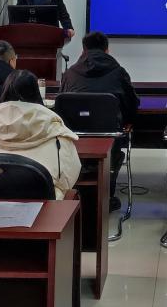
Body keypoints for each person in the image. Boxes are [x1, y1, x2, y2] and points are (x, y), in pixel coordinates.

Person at [0, 70, 81, 199]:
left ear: (4, 91)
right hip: (42, 205)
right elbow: (69, 174)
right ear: (36, 91)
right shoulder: (55, 128)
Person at [62, 30, 139, 210]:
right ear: (107, 50)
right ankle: (106, 197)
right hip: (110, 139)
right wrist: (127, 122)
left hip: (74, 140)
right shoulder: (119, 73)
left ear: (83, 51)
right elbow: (132, 104)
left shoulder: (70, 74)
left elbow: (62, 105)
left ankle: (76, 194)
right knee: (115, 147)